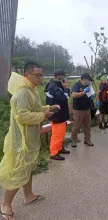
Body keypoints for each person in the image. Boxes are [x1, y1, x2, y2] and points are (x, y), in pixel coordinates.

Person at [0, 62, 59, 220]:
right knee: (19, 172)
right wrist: (43, 116)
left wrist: (48, 108)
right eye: (37, 75)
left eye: (41, 75)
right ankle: (5, 204)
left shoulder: (32, 90)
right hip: (23, 141)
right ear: (27, 75)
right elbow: (22, 116)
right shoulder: (23, 93)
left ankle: (28, 195)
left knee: (29, 168)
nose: (40, 78)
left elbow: (34, 109)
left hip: (31, 138)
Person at [44, 69, 71, 161]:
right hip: (56, 115)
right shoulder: (53, 86)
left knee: (61, 133)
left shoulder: (57, 85)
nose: (64, 78)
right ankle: (53, 152)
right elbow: (63, 98)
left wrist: (64, 87)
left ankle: (59, 148)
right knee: (57, 135)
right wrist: (66, 88)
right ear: (58, 77)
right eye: (63, 76)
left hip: (61, 114)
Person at [71, 73, 94, 148]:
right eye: (88, 80)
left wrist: (92, 96)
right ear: (84, 79)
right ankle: (73, 140)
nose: (89, 82)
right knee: (76, 126)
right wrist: (84, 92)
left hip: (87, 109)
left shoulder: (88, 86)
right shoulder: (76, 85)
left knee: (87, 126)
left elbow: (90, 95)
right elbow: (74, 95)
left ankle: (87, 139)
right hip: (78, 109)